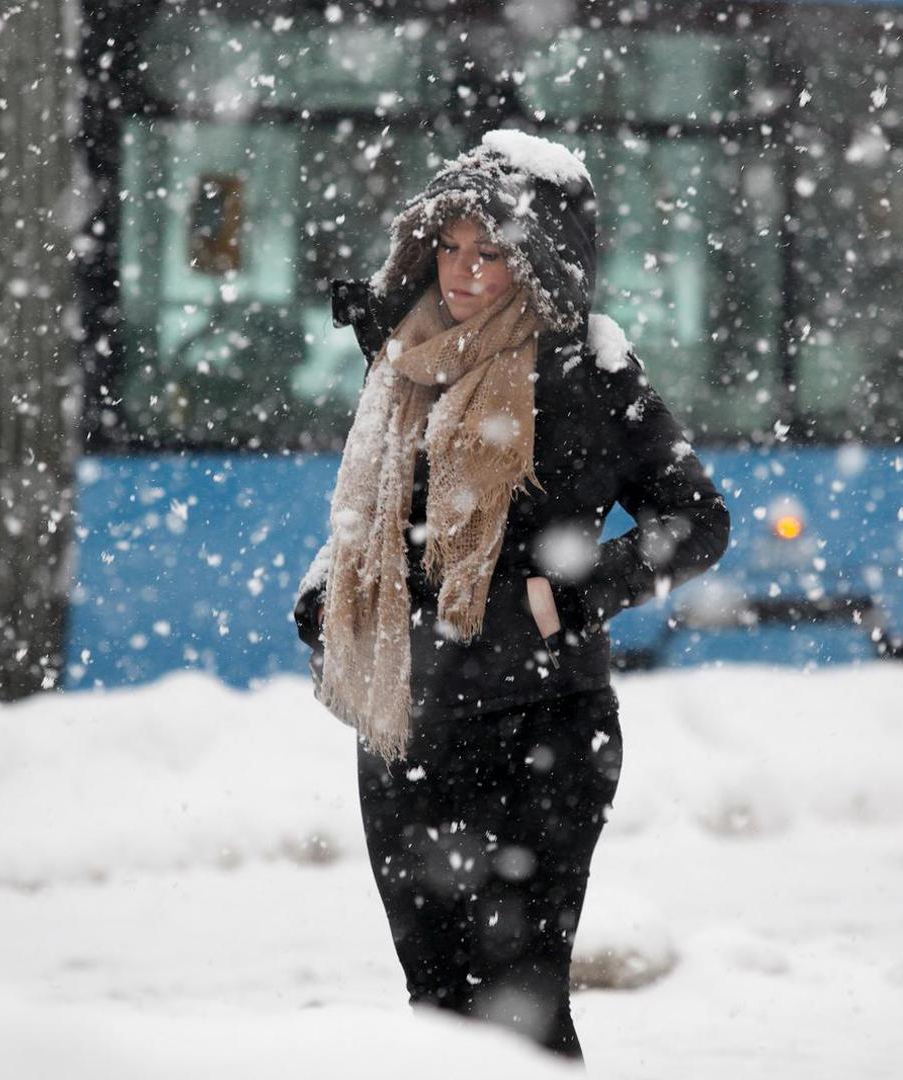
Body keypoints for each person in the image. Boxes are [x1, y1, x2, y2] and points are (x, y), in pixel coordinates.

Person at [294, 129, 731, 1064]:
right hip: (409, 730)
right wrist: (333, 591)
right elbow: (382, 519)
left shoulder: (590, 375)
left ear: (539, 259)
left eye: (488, 252)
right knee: (441, 1014)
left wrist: (571, 596)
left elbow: (698, 522)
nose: (461, 271)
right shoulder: (407, 355)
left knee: (520, 1014)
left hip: (541, 730)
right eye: (448, 246)